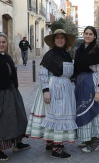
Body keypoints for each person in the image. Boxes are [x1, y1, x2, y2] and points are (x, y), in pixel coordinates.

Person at [26, 29, 77, 159]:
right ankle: (56, 149)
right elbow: (43, 73)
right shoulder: (50, 55)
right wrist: (46, 91)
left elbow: (70, 72)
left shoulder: (67, 54)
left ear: (65, 40)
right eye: (57, 38)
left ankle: (50, 142)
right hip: (54, 88)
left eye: (62, 38)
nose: (60, 40)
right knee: (56, 116)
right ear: (54, 41)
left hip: (65, 89)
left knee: (56, 116)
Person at [73, 26, 99, 153]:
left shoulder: (97, 51)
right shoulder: (80, 49)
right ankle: (88, 138)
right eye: (86, 33)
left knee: (95, 114)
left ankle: (95, 143)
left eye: (90, 34)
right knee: (85, 111)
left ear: (95, 36)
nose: (87, 36)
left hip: (94, 84)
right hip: (82, 86)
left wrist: (98, 91)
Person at [0, 32, 30, 161]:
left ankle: (17, 143)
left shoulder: (7, 56)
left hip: (12, 91)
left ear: (7, 44)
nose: (1, 44)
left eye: (3, 42)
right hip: (2, 93)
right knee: (4, 120)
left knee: (18, 116)